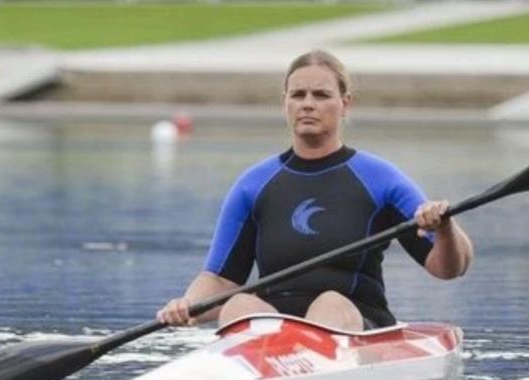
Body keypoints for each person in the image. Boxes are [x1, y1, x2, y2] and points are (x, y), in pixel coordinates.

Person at [157, 49, 473, 331]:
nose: (308, 104)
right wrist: (187, 306)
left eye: (321, 95)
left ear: (344, 103)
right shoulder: (254, 184)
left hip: (355, 322)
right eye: (298, 95)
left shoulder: (380, 178)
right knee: (239, 305)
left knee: (329, 303)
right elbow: (221, 279)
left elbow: (450, 269)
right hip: (274, 329)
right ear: (285, 103)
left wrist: (444, 228)